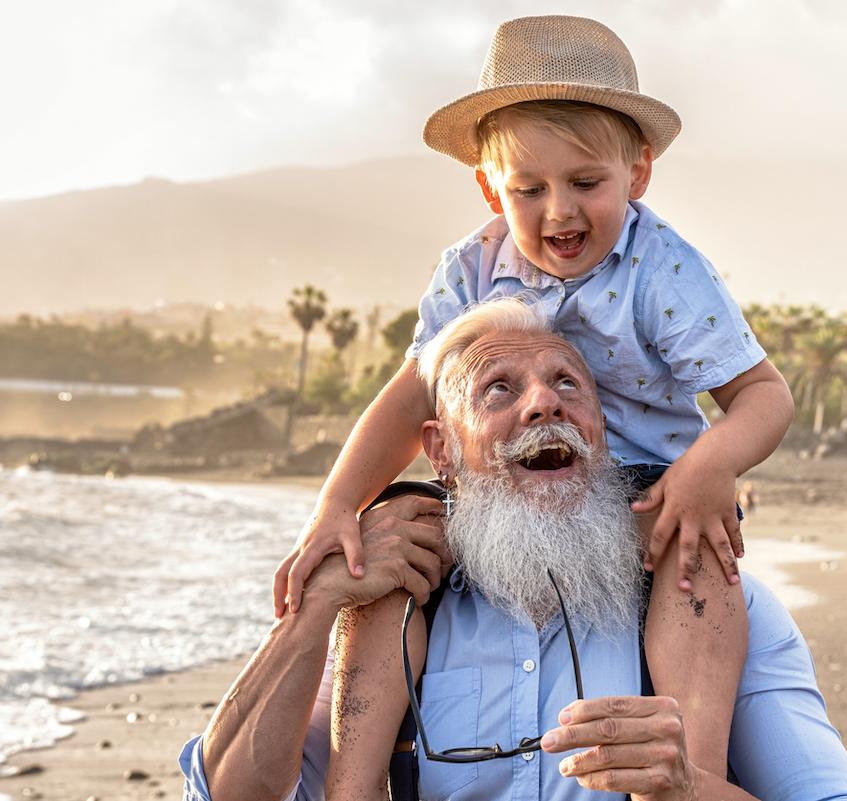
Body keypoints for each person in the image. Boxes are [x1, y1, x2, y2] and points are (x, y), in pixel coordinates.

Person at [272, 14, 795, 786]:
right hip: (504, 481)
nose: (560, 212)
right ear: (489, 186)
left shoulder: (665, 271)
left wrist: (709, 467)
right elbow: (409, 394)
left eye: (587, 183)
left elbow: (763, 394)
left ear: (638, 174)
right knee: (400, 541)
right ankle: (354, 783)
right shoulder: (473, 267)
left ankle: (690, 769)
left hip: (655, 483)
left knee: (699, 568)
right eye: (529, 189)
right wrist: (338, 505)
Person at [181, 305, 847, 800]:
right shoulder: (396, 609)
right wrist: (315, 606)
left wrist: (689, 790)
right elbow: (225, 795)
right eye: (499, 389)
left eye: (568, 383)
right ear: (442, 451)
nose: (545, 404)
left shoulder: (715, 599)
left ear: (599, 431)